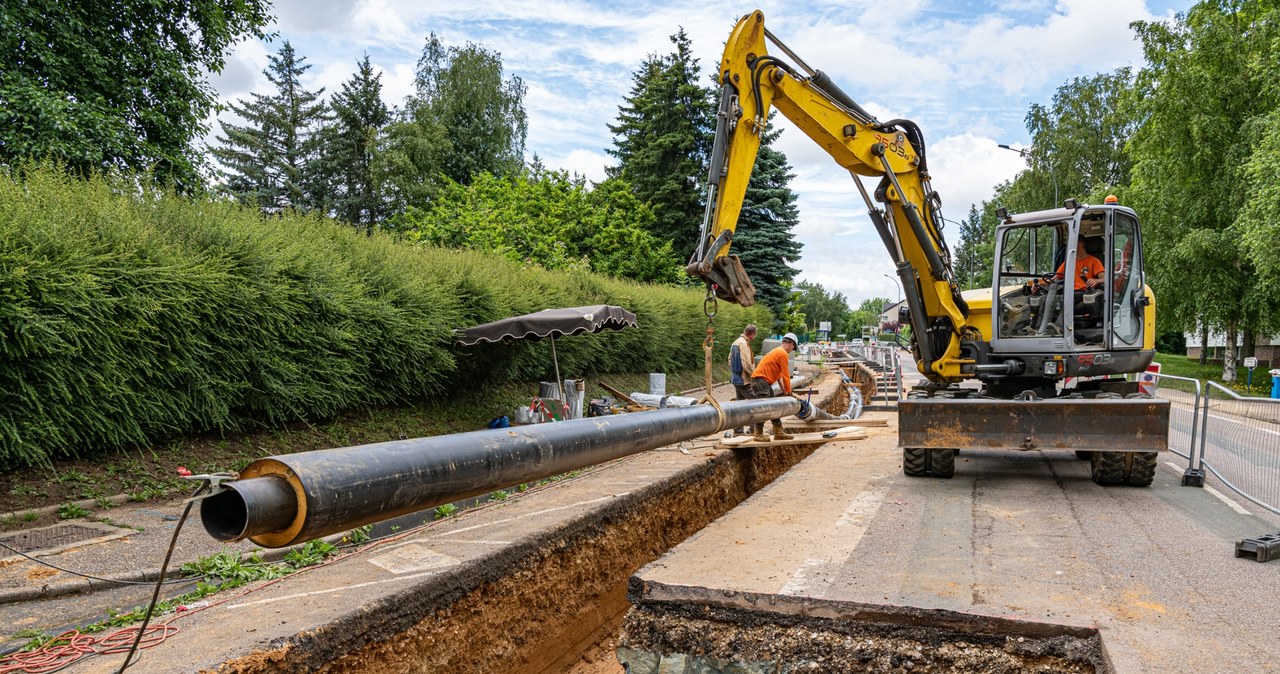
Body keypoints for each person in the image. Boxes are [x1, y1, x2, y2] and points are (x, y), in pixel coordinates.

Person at [749, 332, 798, 442]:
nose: (792, 350)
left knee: (774, 407)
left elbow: (779, 376)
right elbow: (786, 375)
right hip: (761, 381)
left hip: (763, 382)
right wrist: (789, 391)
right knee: (764, 408)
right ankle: (758, 434)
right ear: (790, 344)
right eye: (793, 347)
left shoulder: (778, 352)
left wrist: (786, 391)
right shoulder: (782, 354)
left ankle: (778, 432)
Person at [728, 324, 757, 435]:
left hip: (736, 379)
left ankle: (738, 430)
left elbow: (729, 358)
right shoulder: (744, 344)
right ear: (752, 334)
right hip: (743, 380)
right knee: (757, 402)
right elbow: (746, 363)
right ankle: (753, 429)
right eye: (754, 335)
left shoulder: (736, 342)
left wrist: (735, 371)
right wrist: (753, 376)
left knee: (739, 404)